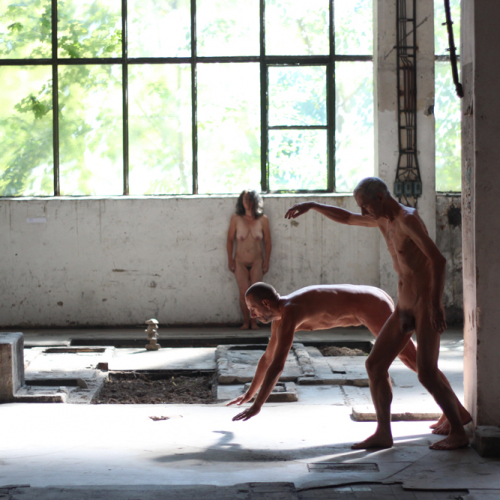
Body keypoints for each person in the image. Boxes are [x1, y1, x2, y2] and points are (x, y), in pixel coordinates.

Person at [284, 177, 471, 450]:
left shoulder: (407, 219)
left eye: (366, 206)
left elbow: (438, 260)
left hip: (424, 306)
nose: (363, 212)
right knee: (374, 365)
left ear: (380, 198)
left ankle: (458, 432)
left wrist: (436, 305)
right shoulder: (383, 219)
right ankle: (383, 433)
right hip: (404, 305)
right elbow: (347, 218)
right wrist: (313, 205)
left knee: (426, 373)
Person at [228, 282, 469, 445]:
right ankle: (455, 411)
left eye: (253, 309)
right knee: (409, 360)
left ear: (266, 304)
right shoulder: (279, 321)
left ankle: (456, 412)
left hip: (369, 303)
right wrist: (250, 394)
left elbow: (278, 365)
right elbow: (268, 358)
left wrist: (258, 405)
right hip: (368, 299)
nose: (252, 315)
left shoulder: (290, 311)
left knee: (410, 358)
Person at [227, 190, 272, 330]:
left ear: (255, 201)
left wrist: (267, 261)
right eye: (245, 199)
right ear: (241, 201)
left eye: (250, 199)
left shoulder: (263, 219)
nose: (247, 202)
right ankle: (246, 322)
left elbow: (268, 242)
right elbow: (230, 240)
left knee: (255, 294)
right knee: (243, 292)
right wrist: (230, 259)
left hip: (257, 261)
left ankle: (254, 322)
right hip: (240, 261)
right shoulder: (236, 218)